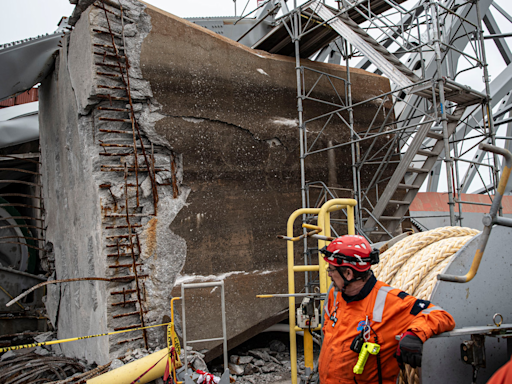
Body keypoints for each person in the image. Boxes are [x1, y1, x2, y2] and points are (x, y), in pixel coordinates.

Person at [318, 235, 455, 384]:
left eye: (331, 270)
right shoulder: (335, 295)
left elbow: (440, 315)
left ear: (348, 274)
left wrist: (414, 334)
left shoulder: (391, 301)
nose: (329, 274)